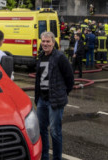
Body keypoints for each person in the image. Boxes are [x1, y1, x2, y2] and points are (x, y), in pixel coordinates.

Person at [35, 31, 74, 160]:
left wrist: (62, 93)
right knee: (42, 131)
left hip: (55, 101)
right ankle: (44, 157)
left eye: (48, 41)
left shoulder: (60, 57)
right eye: (44, 41)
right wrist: (37, 98)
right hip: (42, 100)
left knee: (55, 132)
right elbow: (38, 80)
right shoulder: (40, 57)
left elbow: (70, 78)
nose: (45, 44)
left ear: (53, 42)